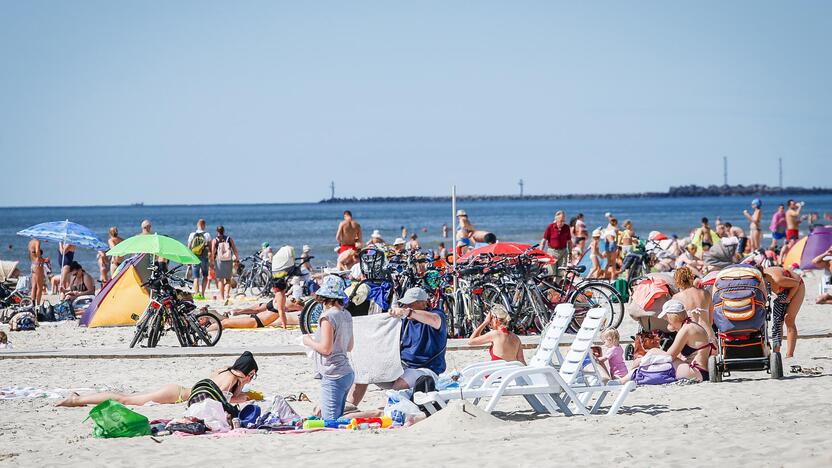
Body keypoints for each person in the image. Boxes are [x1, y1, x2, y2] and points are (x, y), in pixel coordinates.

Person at [347, 287, 446, 406]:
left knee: (401, 383)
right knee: (364, 373)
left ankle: (389, 412)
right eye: (405, 305)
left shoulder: (436, 314)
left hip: (426, 369)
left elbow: (434, 320)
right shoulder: (405, 321)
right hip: (402, 365)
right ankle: (349, 407)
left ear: (423, 303)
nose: (406, 307)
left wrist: (409, 312)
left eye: (410, 304)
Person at [57, 352, 258, 409]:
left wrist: (241, 395)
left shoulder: (227, 371)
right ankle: (77, 399)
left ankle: (80, 399)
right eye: (253, 375)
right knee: (126, 400)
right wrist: (239, 399)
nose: (252, 379)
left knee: (127, 399)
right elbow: (217, 399)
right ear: (248, 373)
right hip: (176, 394)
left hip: (177, 390)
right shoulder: (231, 379)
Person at [622, 300, 714, 383]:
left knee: (653, 356)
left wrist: (642, 360)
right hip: (699, 370)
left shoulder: (686, 329)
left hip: (696, 371)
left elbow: (669, 356)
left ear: (672, 317)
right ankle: (626, 377)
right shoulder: (689, 325)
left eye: (666, 318)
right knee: (653, 355)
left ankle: (624, 379)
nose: (666, 320)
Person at [303, 276, 354, 420]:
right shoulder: (346, 314)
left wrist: (308, 341)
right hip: (347, 373)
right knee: (336, 417)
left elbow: (326, 349)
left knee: (330, 422)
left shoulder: (328, 316)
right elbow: (350, 346)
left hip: (333, 373)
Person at [219, 276, 296, 328]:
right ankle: (209, 327)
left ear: (276, 287)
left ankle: (208, 329)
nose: (272, 288)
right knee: (225, 322)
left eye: (273, 286)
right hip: (256, 318)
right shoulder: (280, 294)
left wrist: (284, 325)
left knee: (226, 323)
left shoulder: (280, 296)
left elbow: (281, 311)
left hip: (257, 321)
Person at [763, 266, 805, 358]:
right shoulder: (760, 281)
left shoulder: (777, 280)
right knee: (777, 323)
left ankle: (789, 355)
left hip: (797, 287)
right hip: (782, 291)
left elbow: (796, 284)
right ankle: (776, 354)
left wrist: (788, 298)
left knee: (789, 319)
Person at [672, 266, 714, 342]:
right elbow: (711, 321)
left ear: (677, 281)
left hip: (694, 340)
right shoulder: (706, 293)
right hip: (710, 337)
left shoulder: (676, 298)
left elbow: (675, 324)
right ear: (691, 277)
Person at [211, 226, 238, 302]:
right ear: (224, 231)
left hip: (219, 260)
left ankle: (222, 297)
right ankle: (227, 295)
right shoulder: (229, 239)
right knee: (228, 279)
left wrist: (212, 262)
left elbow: (213, 252)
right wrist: (237, 259)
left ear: (217, 231)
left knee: (220, 279)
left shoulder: (215, 240)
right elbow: (235, 249)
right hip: (228, 260)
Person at [187, 219, 212, 300]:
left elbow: (189, 247)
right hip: (204, 257)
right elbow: (210, 248)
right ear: (204, 225)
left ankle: (197, 294)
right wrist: (211, 258)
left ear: (197, 225)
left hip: (194, 257)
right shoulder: (207, 235)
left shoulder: (192, 234)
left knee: (196, 277)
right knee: (205, 276)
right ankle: (203, 294)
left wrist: (188, 259)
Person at [27, 238, 44, 306]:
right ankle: (38, 304)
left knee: (34, 286)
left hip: (33, 264)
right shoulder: (37, 241)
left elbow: (31, 253)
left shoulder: (30, 242)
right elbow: (37, 251)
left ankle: (33, 303)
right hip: (38, 265)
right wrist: (40, 258)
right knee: (40, 287)